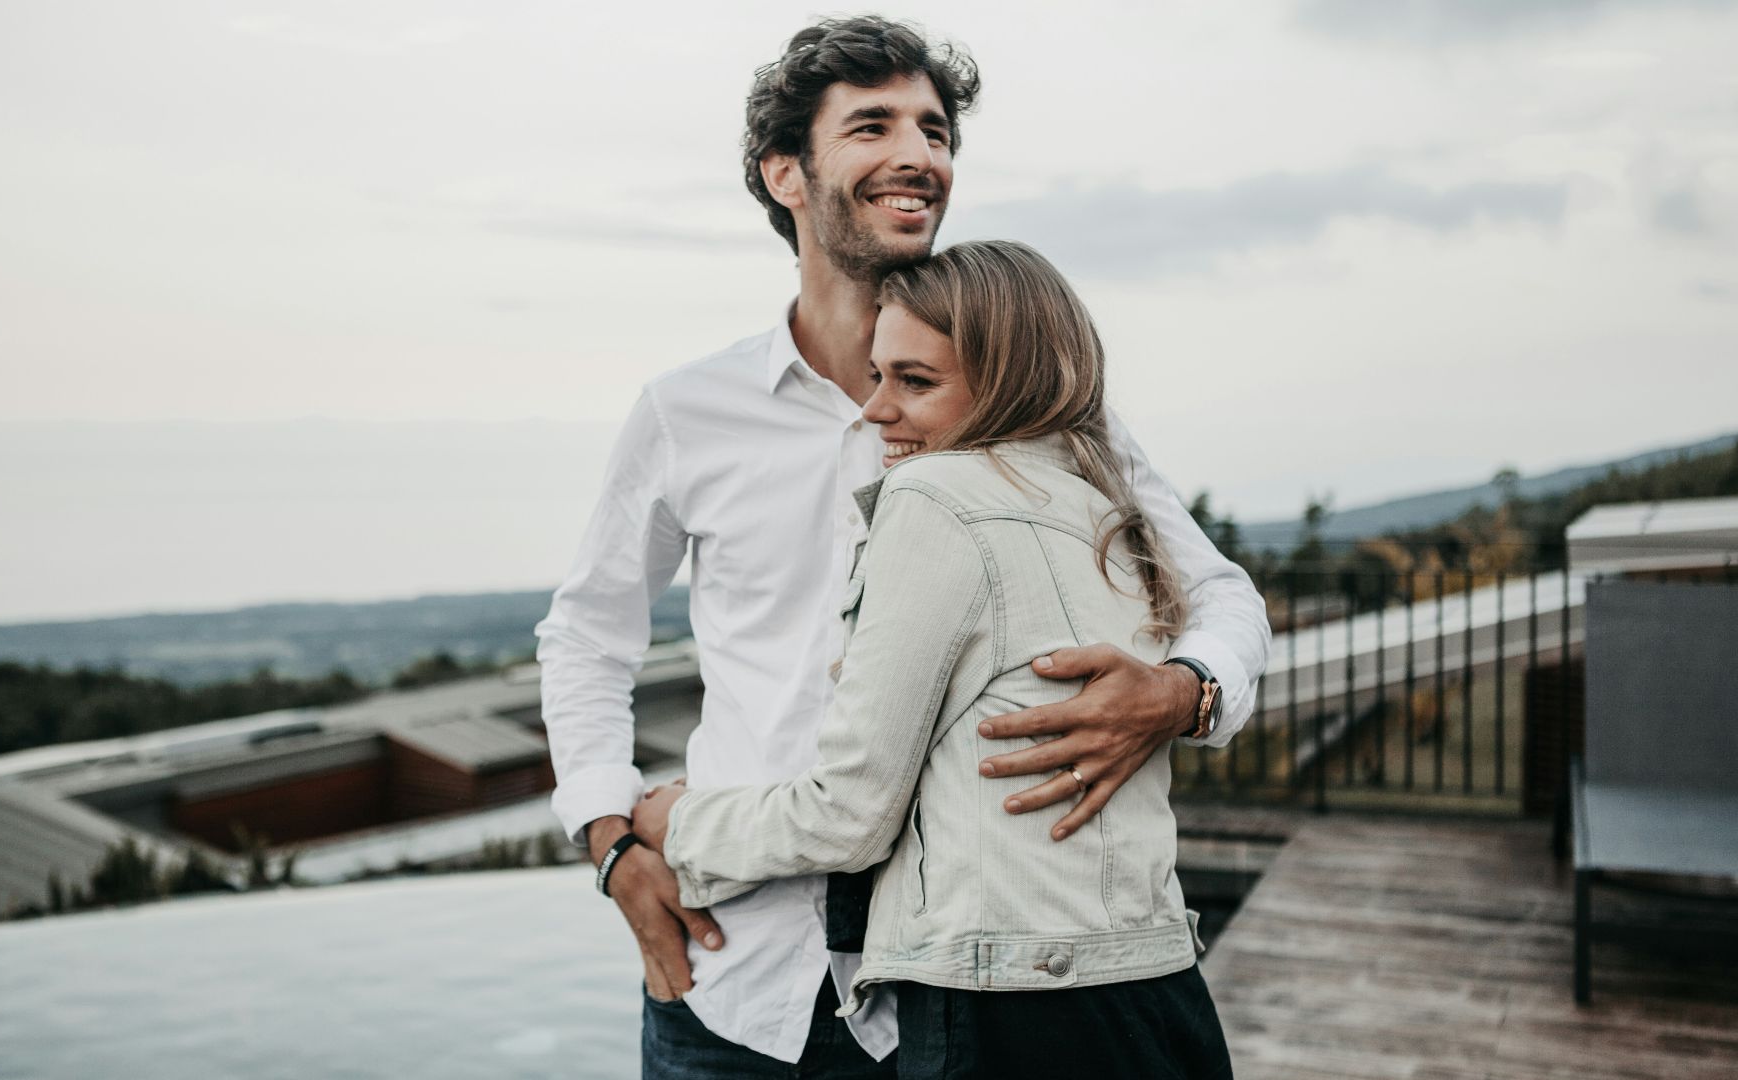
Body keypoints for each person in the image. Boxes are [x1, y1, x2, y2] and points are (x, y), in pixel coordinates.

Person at [536, 16, 1270, 1077]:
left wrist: (1185, 693)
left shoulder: (1044, 412)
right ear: (786, 172)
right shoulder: (686, 411)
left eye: (934, 130)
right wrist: (609, 842)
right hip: (733, 979)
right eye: (873, 126)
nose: (919, 154)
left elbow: (1220, 594)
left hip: (955, 1002)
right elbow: (587, 638)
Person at [628, 240, 1235, 1079]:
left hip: (1013, 1011)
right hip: (1157, 988)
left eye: (915, 383)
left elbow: (850, 812)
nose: (877, 411)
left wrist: (675, 823)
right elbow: (1225, 596)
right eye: (880, 376)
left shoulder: (932, 498)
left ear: (1012, 380)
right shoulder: (1105, 505)